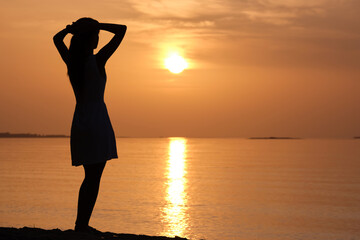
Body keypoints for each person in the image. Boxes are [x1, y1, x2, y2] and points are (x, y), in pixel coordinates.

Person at [53, 17, 127, 233]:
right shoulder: (97, 60)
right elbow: (121, 30)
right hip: (96, 119)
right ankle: (81, 225)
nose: (97, 39)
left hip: (81, 119)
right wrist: (97, 25)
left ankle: (81, 224)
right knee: (94, 177)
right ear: (88, 39)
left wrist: (71, 29)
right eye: (95, 36)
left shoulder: (73, 62)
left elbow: (57, 39)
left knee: (90, 176)